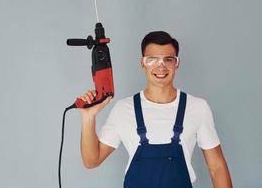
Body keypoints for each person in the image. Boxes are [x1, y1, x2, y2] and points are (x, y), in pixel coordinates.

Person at [78, 31, 233, 187]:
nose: (161, 66)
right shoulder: (123, 109)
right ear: (143, 63)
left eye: (168, 60)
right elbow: (92, 160)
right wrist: (88, 117)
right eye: (152, 59)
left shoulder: (198, 107)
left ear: (176, 63)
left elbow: (217, 168)